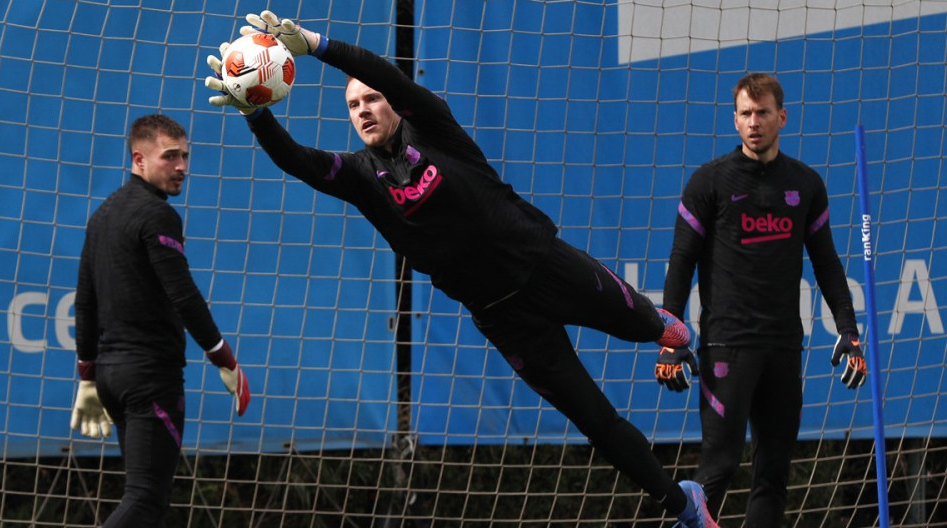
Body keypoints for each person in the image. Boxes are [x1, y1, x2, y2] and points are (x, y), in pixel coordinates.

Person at [203, 11, 717, 528]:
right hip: (504, 317)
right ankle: (683, 506)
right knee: (595, 422)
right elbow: (296, 160)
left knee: (655, 327)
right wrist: (255, 113)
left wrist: (317, 46)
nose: (363, 109)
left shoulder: (434, 127)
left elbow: (391, 77)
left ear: (394, 104)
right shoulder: (359, 176)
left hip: (545, 264)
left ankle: (673, 336)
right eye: (353, 105)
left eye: (372, 99)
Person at [657, 72, 868, 527]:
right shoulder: (708, 182)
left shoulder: (805, 184)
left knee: (773, 476)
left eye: (763, 113)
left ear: (782, 117)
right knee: (718, 469)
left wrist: (848, 330)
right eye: (746, 113)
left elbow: (828, 264)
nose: (754, 122)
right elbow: (681, 263)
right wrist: (670, 338)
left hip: (784, 349)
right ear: (734, 120)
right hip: (727, 348)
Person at [70, 114, 251, 528]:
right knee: (145, 502)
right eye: (170, 157)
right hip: (150, 377)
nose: (182, 167)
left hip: (113, 380)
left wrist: (87, 376)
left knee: (144, 505)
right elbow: (184, 295)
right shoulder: (157, 214)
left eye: (185, 156)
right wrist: (225, 359)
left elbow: (85, 302)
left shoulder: (102, 215)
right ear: (139, 159)